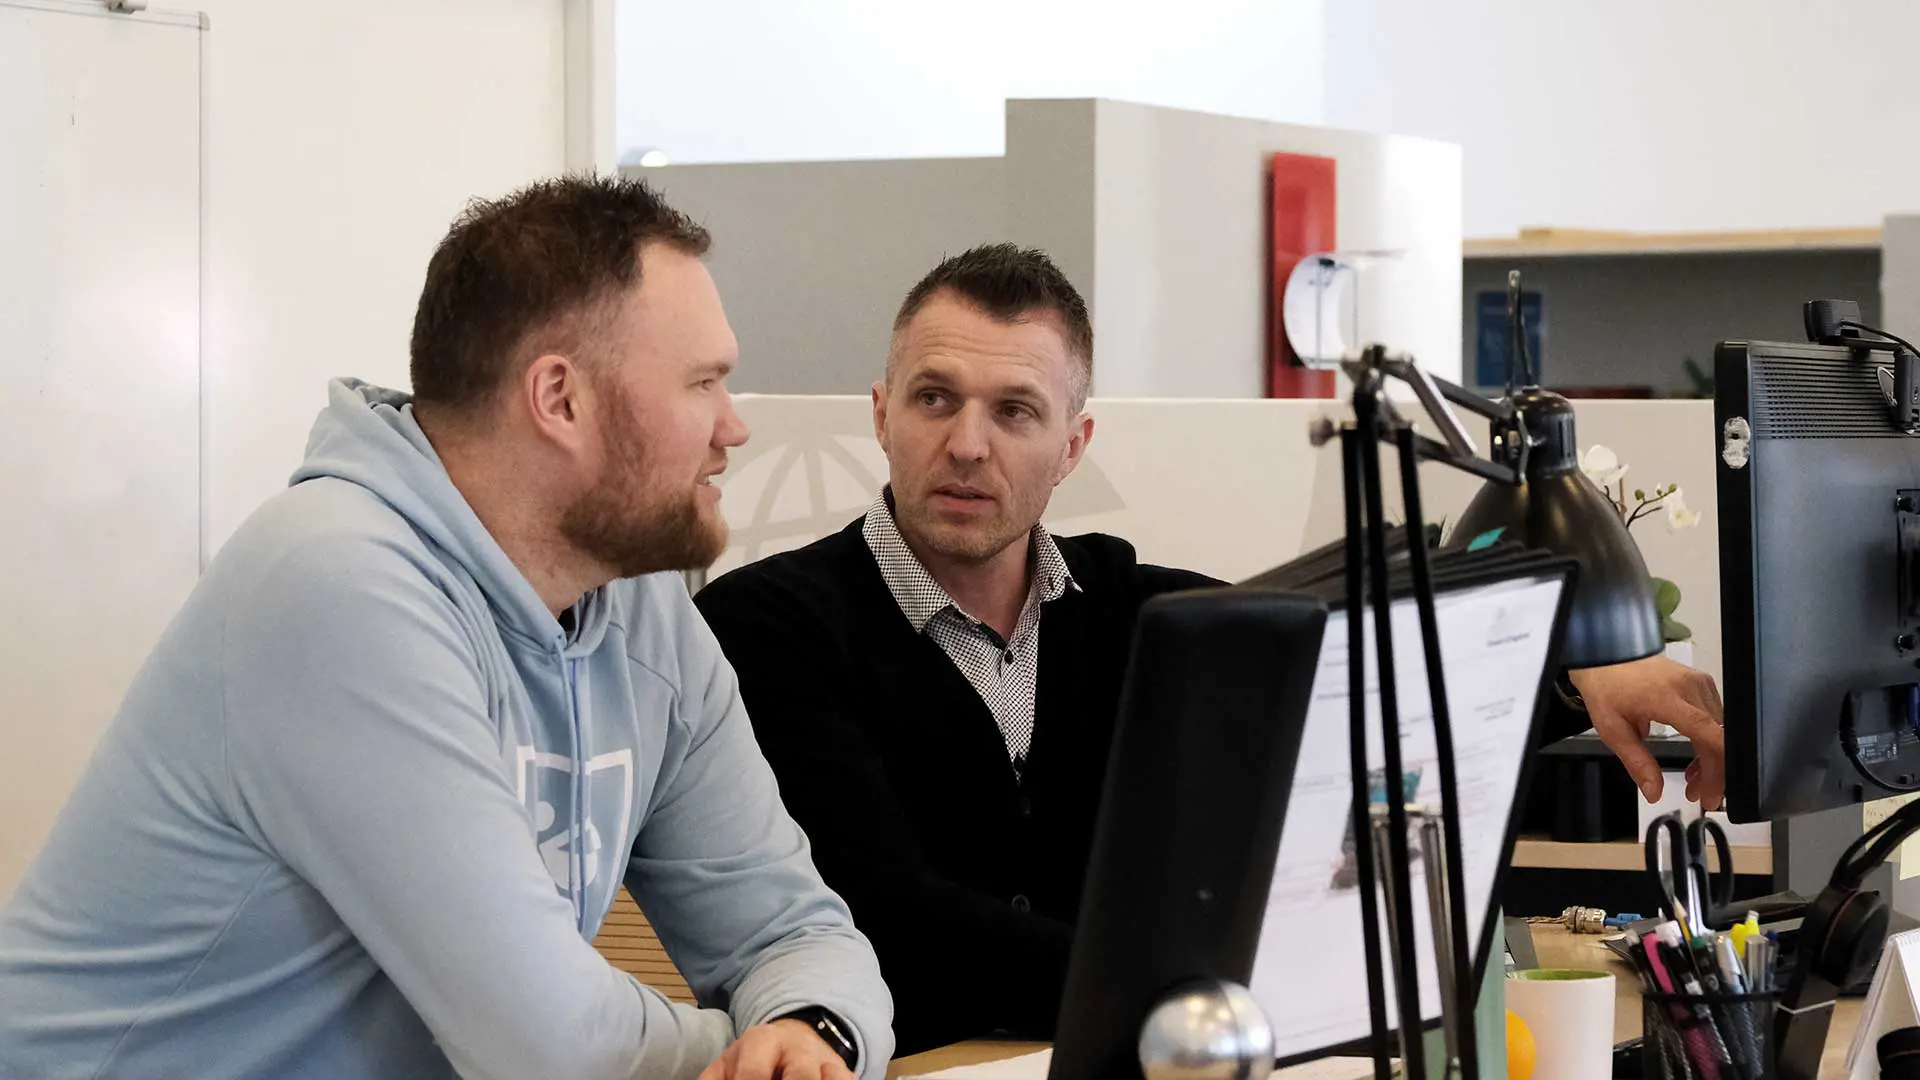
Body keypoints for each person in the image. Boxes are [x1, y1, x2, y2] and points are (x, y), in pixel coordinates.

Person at [691, 243, 1726, 1055]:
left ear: (1072, 447)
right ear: (881, 416)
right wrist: (1208, 987)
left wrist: (1578, 676)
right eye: (934, 399)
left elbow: (1364, 692)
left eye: (1014, 411)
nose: (967, 443)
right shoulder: (767, 628)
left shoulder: (1139, 611)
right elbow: (891, 920)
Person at [0, 176, 891, 1080]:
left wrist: (816, 1032)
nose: (733, 427)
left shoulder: (638, 608)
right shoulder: (336, 585)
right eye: (703, 383)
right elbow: (550, 1045)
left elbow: (793, 929)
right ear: (560, 398)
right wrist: (746, 1058)